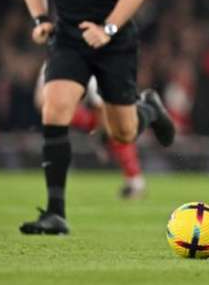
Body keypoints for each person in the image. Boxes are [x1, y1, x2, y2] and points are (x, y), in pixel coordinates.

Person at [18, 0, 175, 235]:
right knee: (54, 107)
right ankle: (55, 213)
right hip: (70, 40)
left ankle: (147, 108)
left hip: (114, 43)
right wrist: (40, 20)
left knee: (121, 132)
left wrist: (107, 29)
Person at [34, 66, 147, 199]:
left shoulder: (91, 67)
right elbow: (40, 102)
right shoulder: (51, 65)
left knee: (118, 128)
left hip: (94, 109)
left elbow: (101, 108)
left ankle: (134, 178)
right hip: (70, 111)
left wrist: (99, 136)